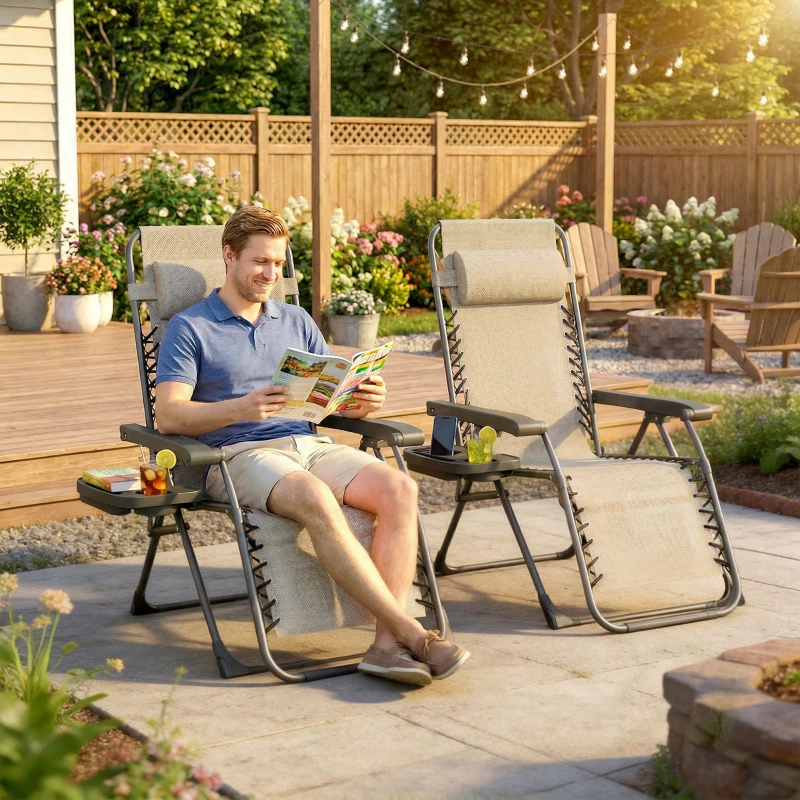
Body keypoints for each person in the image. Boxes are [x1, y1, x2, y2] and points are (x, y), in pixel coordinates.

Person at [154, 206, 469, 686]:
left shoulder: (295, 319)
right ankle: (413, 634)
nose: (270, 274)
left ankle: (386, 646)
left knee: (399, 489)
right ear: (229, 256)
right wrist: (240, 408)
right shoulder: (190, 327)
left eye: (278, 263)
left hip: (308, 442)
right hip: (237, 454)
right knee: (315, 496)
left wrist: (362, 402)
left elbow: (326, 399)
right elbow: (169, 414)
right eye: (260, 261)